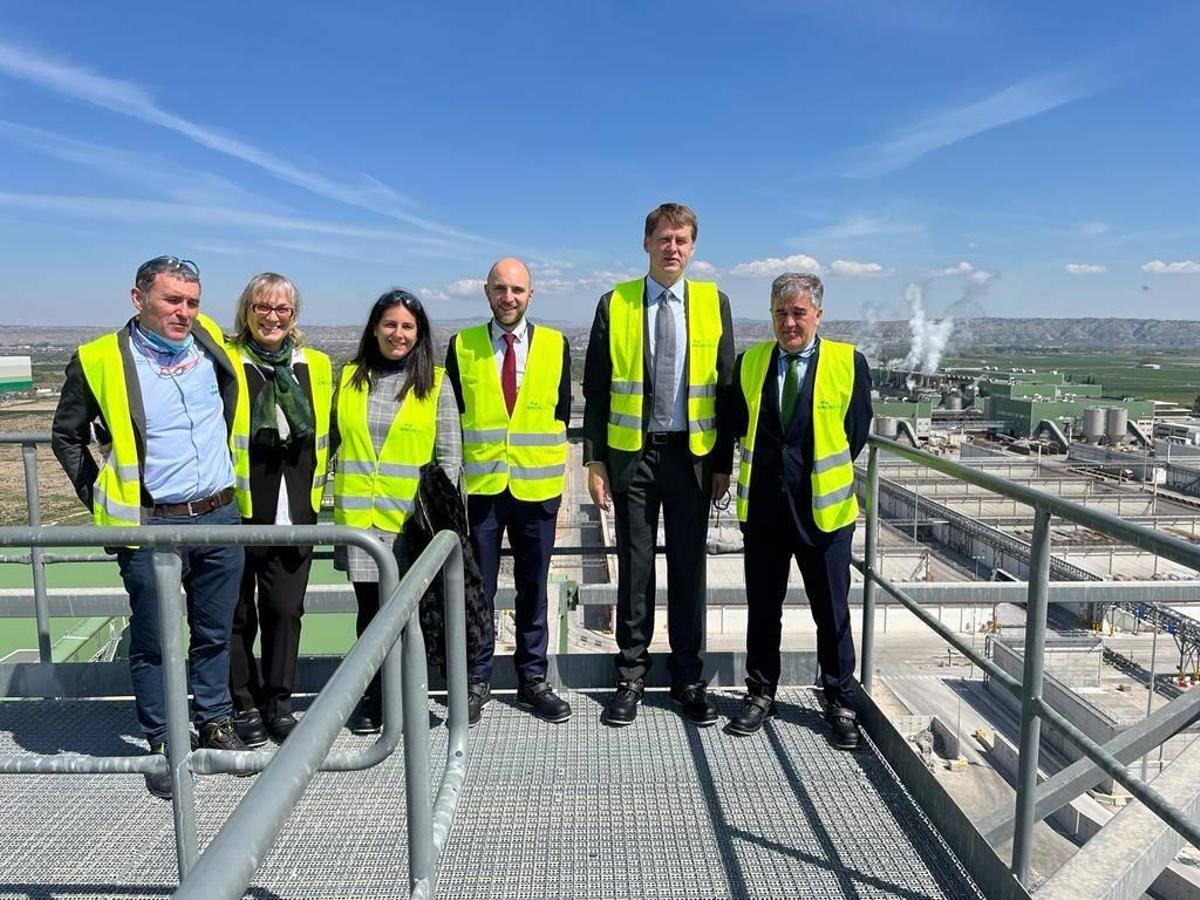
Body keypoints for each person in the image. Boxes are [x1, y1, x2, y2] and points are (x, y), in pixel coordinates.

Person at [50, 256, 250, 799]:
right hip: (153, 524)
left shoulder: (209, 341)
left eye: (191, 302)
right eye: (171, 300)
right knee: (156, 637)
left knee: (215, 629)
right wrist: (101, 496)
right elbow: (66, 436)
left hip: (219, 514)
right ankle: (163, 737)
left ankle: (214, 721)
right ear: (138, 300)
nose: (184, 312)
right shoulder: (98, 360)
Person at [581, 203, 735, 727]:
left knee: (690, 571)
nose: (673, 248)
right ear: (646, 243)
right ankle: (631, 678)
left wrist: (722, 464)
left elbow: (727, 391)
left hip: (692, 459)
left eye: (683, 240)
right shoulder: (616, 303)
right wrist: (595, 459)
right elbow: (597, 387)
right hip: (633, 456)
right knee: (636, 571)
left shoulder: (715, 303)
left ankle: (689, 680)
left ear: (692, 248)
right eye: (665, 238)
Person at [720, 273, 873, 748]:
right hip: (765, 510)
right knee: (763, 612)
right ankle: (760, 694)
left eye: (798, 313)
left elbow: (856, 431)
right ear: (771, 316)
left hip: (824, 515)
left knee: (832, 614)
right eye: (781, 313)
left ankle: (840, 702)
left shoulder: (849, 363)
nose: (789, 323)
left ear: (818, 316)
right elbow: (736, 423)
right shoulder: (751, 363)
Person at [445, 258, 572, 727]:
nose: (509, 297)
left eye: (517, 290)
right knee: (476, 590)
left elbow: (560, 409)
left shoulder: (557, 346)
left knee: (533, 589)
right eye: (500, 288)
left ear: (531, 295)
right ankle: (476, 680)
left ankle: (532, 679)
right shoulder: (462, 346)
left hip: (536, 491)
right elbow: (453, 416)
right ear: (486, 292)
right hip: (481, 491)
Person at [332, 289, 462, 734]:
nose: (398, 333)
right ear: (374, 328)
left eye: (408, 326)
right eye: (390, 324)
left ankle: (409, 695)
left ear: (419, 334)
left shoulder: (436, 382)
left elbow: (449, 458)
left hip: (411, 523)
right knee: (369, 615)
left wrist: (440, 522)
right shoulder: (349, 378)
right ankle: (373, 697)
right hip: (359, 523)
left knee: (410, 617)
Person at [226, 273, 333, 746]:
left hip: (296, 510)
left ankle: (279, 700)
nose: (272, 317)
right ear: (246, 311)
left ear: (295, 316)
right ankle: (242, 701)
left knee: (286, 611)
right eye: (262, 307)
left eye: (282, 309)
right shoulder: (225, 363)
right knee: (234, 614)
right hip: (237, 509)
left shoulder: (319, 366)